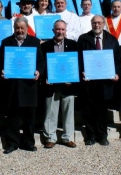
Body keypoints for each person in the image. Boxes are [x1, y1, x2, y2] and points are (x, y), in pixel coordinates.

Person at [0, 17, 45, 154]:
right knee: (12, 116)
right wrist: (2, 71)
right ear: (14, 28)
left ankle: (28, 142)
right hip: (12, 85)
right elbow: (0, 61)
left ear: (26, 28)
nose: (19, 30)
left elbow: (41, 61)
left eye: (22, 28)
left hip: (29, 85)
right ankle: (13, 143)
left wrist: (39, 71)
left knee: (29, 116)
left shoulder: (35, 42)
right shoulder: (6, 42)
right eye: (17, 28)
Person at [77, 15, 121, 146]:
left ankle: (102, 135)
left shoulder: (112, 40)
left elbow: (117, 60)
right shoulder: (83, 39)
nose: (97, 25)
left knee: (102, 110)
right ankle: (91, 135)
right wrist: (81, 71)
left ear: (104, 24)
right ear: (91, 24)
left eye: (99, 23)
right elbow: (78, 59)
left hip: (105, 82)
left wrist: (117, 74)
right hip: (89, 82)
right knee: (89, 109)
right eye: (94, 23)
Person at [41, 20, 78, 149]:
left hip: (68, 84)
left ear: (66, 31)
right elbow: (42, 64)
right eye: (58, 29)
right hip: (51, 84)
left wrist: (73, 79)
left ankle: (68, 137)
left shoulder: (73, 45)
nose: (60, 32)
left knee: (68, 111)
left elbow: (76, 64)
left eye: (62, 29)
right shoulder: (45, 46)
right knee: (50, 111)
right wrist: (45, 78)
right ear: (53, 30)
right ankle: (50, 137)